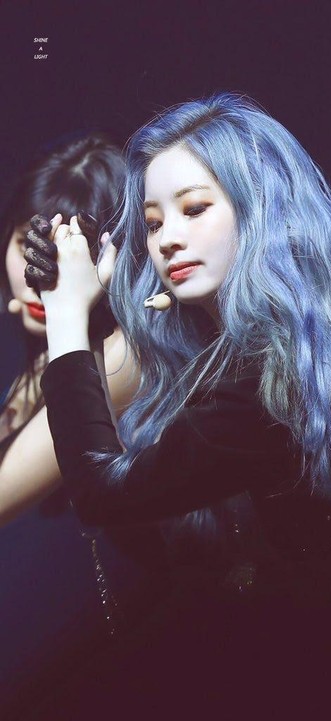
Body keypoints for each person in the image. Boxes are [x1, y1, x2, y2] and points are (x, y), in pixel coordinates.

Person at [26, 94, 331, 716]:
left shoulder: (266, 383)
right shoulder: (287, 343)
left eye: (195, 209)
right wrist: (101, 293)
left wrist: (67, 318)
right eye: (153, 224)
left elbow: (102, 492)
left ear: (259, 208)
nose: (169, 239)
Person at [0, 133, 148, 720]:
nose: (39, 273)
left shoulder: (122, 359)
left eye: (67, 252)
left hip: (162, 639)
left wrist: (63, 318)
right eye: (26, 244)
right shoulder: (49, 351)